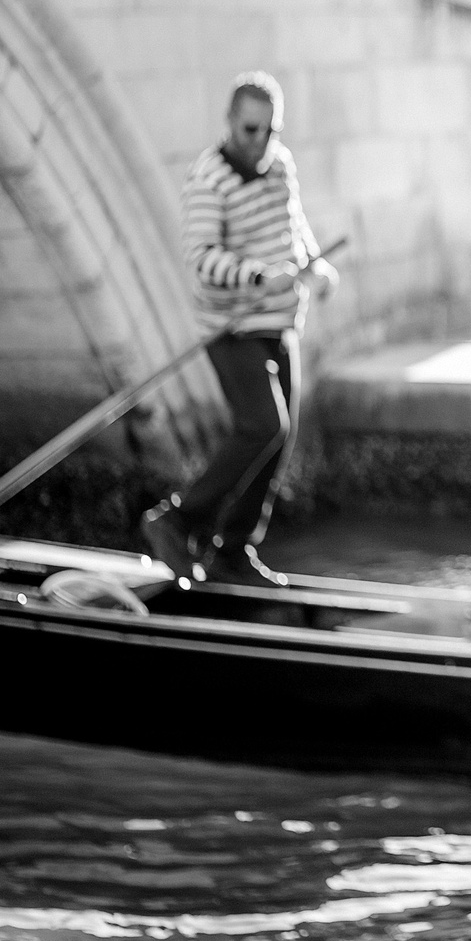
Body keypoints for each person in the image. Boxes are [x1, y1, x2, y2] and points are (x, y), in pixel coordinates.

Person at [140, 73, 335, 588]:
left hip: (281, 320)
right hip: (232, 326)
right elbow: (200, 257)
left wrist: (312, 265)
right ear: (230, 123)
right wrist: (255, 274)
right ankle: (176, 519)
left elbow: (293, 225)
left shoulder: (280, 164)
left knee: (281, 437)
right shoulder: (208, 179)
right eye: (251, 130)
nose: (261, 143)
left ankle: (233, 549)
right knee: (263, 426)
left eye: (271, 131)